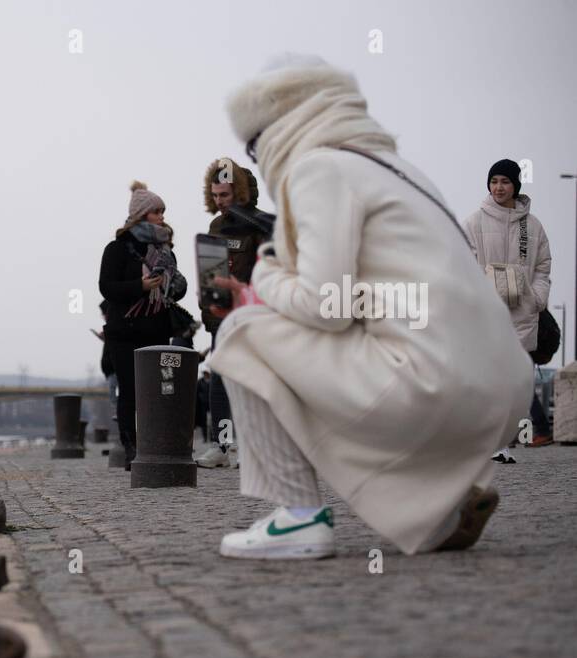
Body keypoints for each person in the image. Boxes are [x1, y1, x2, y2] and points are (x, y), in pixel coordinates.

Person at [207, 54, 532, 560]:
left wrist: (263, 276)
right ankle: (437, 507)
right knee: (357, 348)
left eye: (253, 146)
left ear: (275, 128)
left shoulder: (318, 168)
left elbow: (326, 305)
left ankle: (298, 518)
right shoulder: (399, 168)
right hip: (506, 388)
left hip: (435, 386)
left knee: (244, 333)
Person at [463, 159, 554, 458]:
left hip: (522, 314)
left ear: (516, 185)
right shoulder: (474, 222)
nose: (498, 187)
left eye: (505, 181)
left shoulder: (533, 225)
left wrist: (538, 297)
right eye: (494, 181)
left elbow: (542, 267)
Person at [98, 182, 188, 467]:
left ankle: (159, 445)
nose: (162, 216)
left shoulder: (165, 250)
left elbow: (177, 289)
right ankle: (132, 449)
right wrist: (141, 285)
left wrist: (172, 286)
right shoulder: (117, 248)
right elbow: (107, 287)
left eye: (163, 211)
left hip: (158, 330)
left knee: (162, 390)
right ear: (141, 215)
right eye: (156, 211)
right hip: (124, 333)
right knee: (130, 391)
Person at [196, 158, 273, 469]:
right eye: (214, 196)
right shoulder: (216, 226)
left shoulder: (260, 225)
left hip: (253, 316)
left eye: (224, 195)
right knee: (219, 381)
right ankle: (223, 445)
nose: (219, 202)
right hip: (221, 318)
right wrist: (209, 310)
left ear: (238, 193)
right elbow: (209, 273)